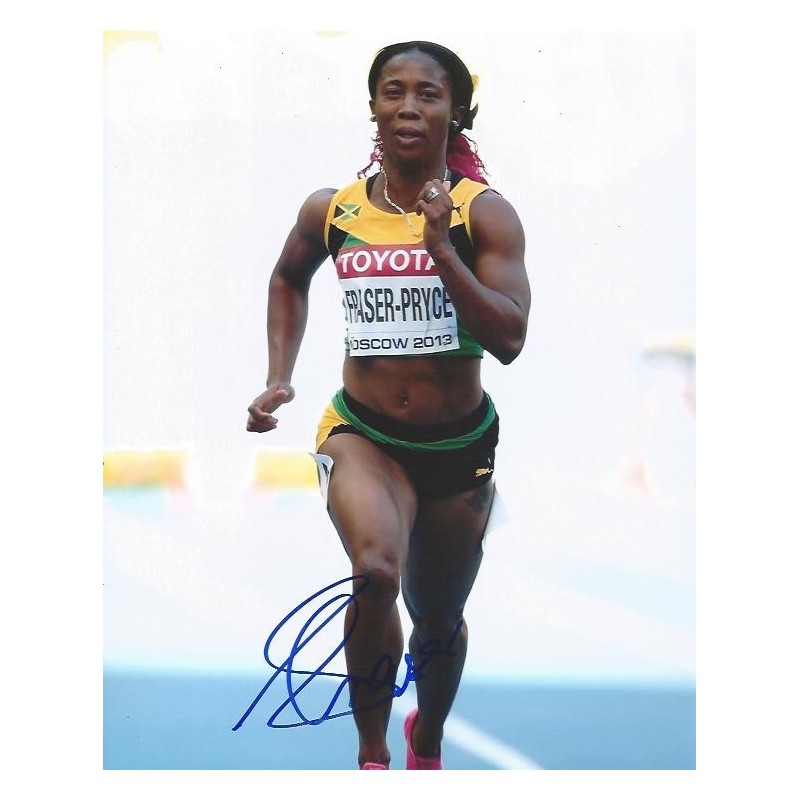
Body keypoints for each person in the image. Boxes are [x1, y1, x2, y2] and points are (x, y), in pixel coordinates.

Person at [246, 40, 531, 770]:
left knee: (437, 617)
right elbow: (288, 278)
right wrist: (279, 375)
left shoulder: (483, 215)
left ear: (456, 112)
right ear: (373, 106)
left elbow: (509, 338)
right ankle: (372, 759)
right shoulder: (333, 208)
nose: (408, 107)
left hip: (456, 449)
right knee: (375, 573)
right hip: (362, 434)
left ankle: (424, 741)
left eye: (428, 94)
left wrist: (442, 252)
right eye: (393, 91)